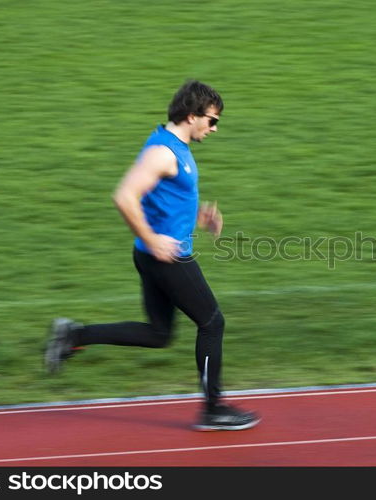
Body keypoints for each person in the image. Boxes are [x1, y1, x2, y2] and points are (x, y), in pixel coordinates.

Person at [44, 80, 260, 431]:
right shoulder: (163, 152)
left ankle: (75, 336)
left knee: (159, 334)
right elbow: (124, 196)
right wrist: (154, 239)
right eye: (212, 120)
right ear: (192, 116)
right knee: (212, 322)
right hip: (166, 258)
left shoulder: (175, 146)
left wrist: (196, 216)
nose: (215, 128)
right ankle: (213, 409)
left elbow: (160, 200)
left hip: (152, 254)